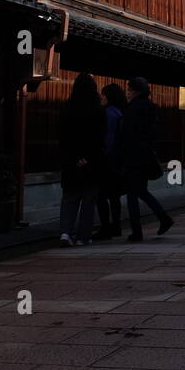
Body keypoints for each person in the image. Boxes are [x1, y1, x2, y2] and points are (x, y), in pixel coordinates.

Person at [118, 76, 174, 241]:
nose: (128, 93)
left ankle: (137, 231)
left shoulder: (133, 108)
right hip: (146, 155)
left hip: (133, 156)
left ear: (135, 91)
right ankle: (163, 218)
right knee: (141, 191)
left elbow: (127, 134)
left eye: (129, 90)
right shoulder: (151, 107)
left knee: (132, 195)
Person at [58, 73, 107, 246]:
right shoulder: (99, 111)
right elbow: (100, 138)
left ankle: (65, 232)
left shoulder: (66, 108)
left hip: (70, 160)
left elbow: (63, 137)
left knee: (69, 198)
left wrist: (74, 158)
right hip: (92, 161)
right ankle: (83, 236)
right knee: (88, 200)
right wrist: (88, 158)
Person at [94, 83, 128, 239]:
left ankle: (105, 227)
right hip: (119, 160)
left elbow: (108, 139)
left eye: (103, 95)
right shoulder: (122, 113)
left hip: (107, 161)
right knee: (114, 197)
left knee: (101, 196)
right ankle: (117, 226)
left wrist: (102, 154)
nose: (101, 98)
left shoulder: (107, 114)